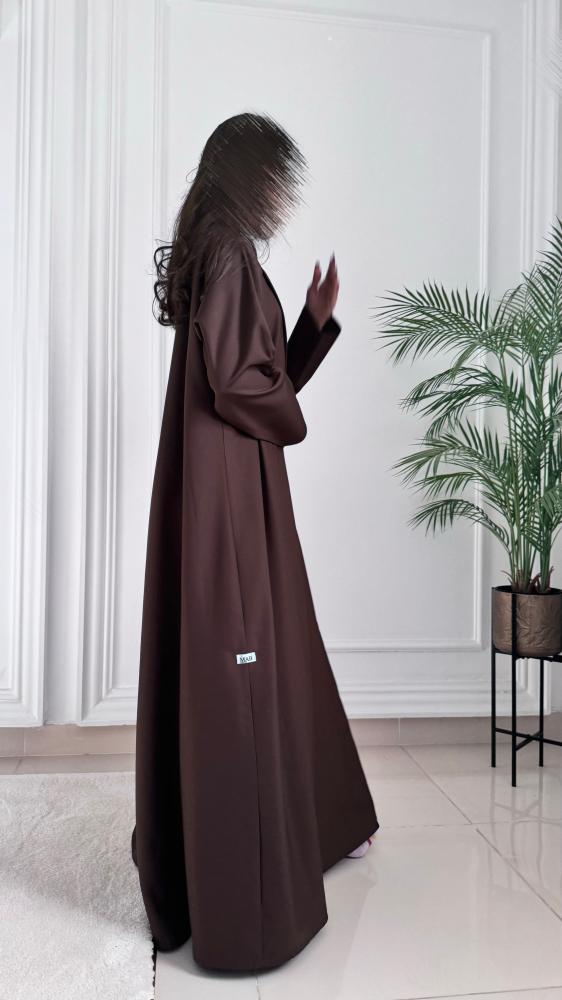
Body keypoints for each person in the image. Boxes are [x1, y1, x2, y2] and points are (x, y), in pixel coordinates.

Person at [131, 111, 379, 973]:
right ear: (245, 177)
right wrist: (294, 420)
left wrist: (310, 324)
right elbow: (245, 386)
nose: (279, 192)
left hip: (227, 487)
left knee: (279, 659)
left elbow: (252, 376)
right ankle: (251, 915)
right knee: (248, 675)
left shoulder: (219, 251)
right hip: (233, 501)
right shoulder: (230, 254)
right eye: (272, 175)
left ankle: (318, 832)